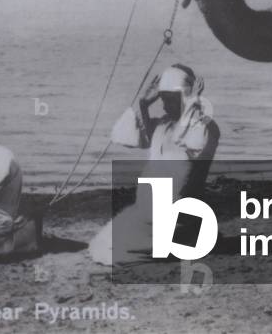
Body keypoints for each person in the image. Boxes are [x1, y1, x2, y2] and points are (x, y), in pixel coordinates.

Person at [89, 64, 220, 264]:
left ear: (184, 98)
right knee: (98, 245)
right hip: (147, 215)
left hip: (176, 219)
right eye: (163, 99)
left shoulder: (205, 128)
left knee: (111, 252)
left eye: (170, 100)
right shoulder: (164, 125)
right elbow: (126, 136)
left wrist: (191, 104)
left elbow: (184, 141)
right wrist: (143, 104)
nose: (165, 106)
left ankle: (180, 243)